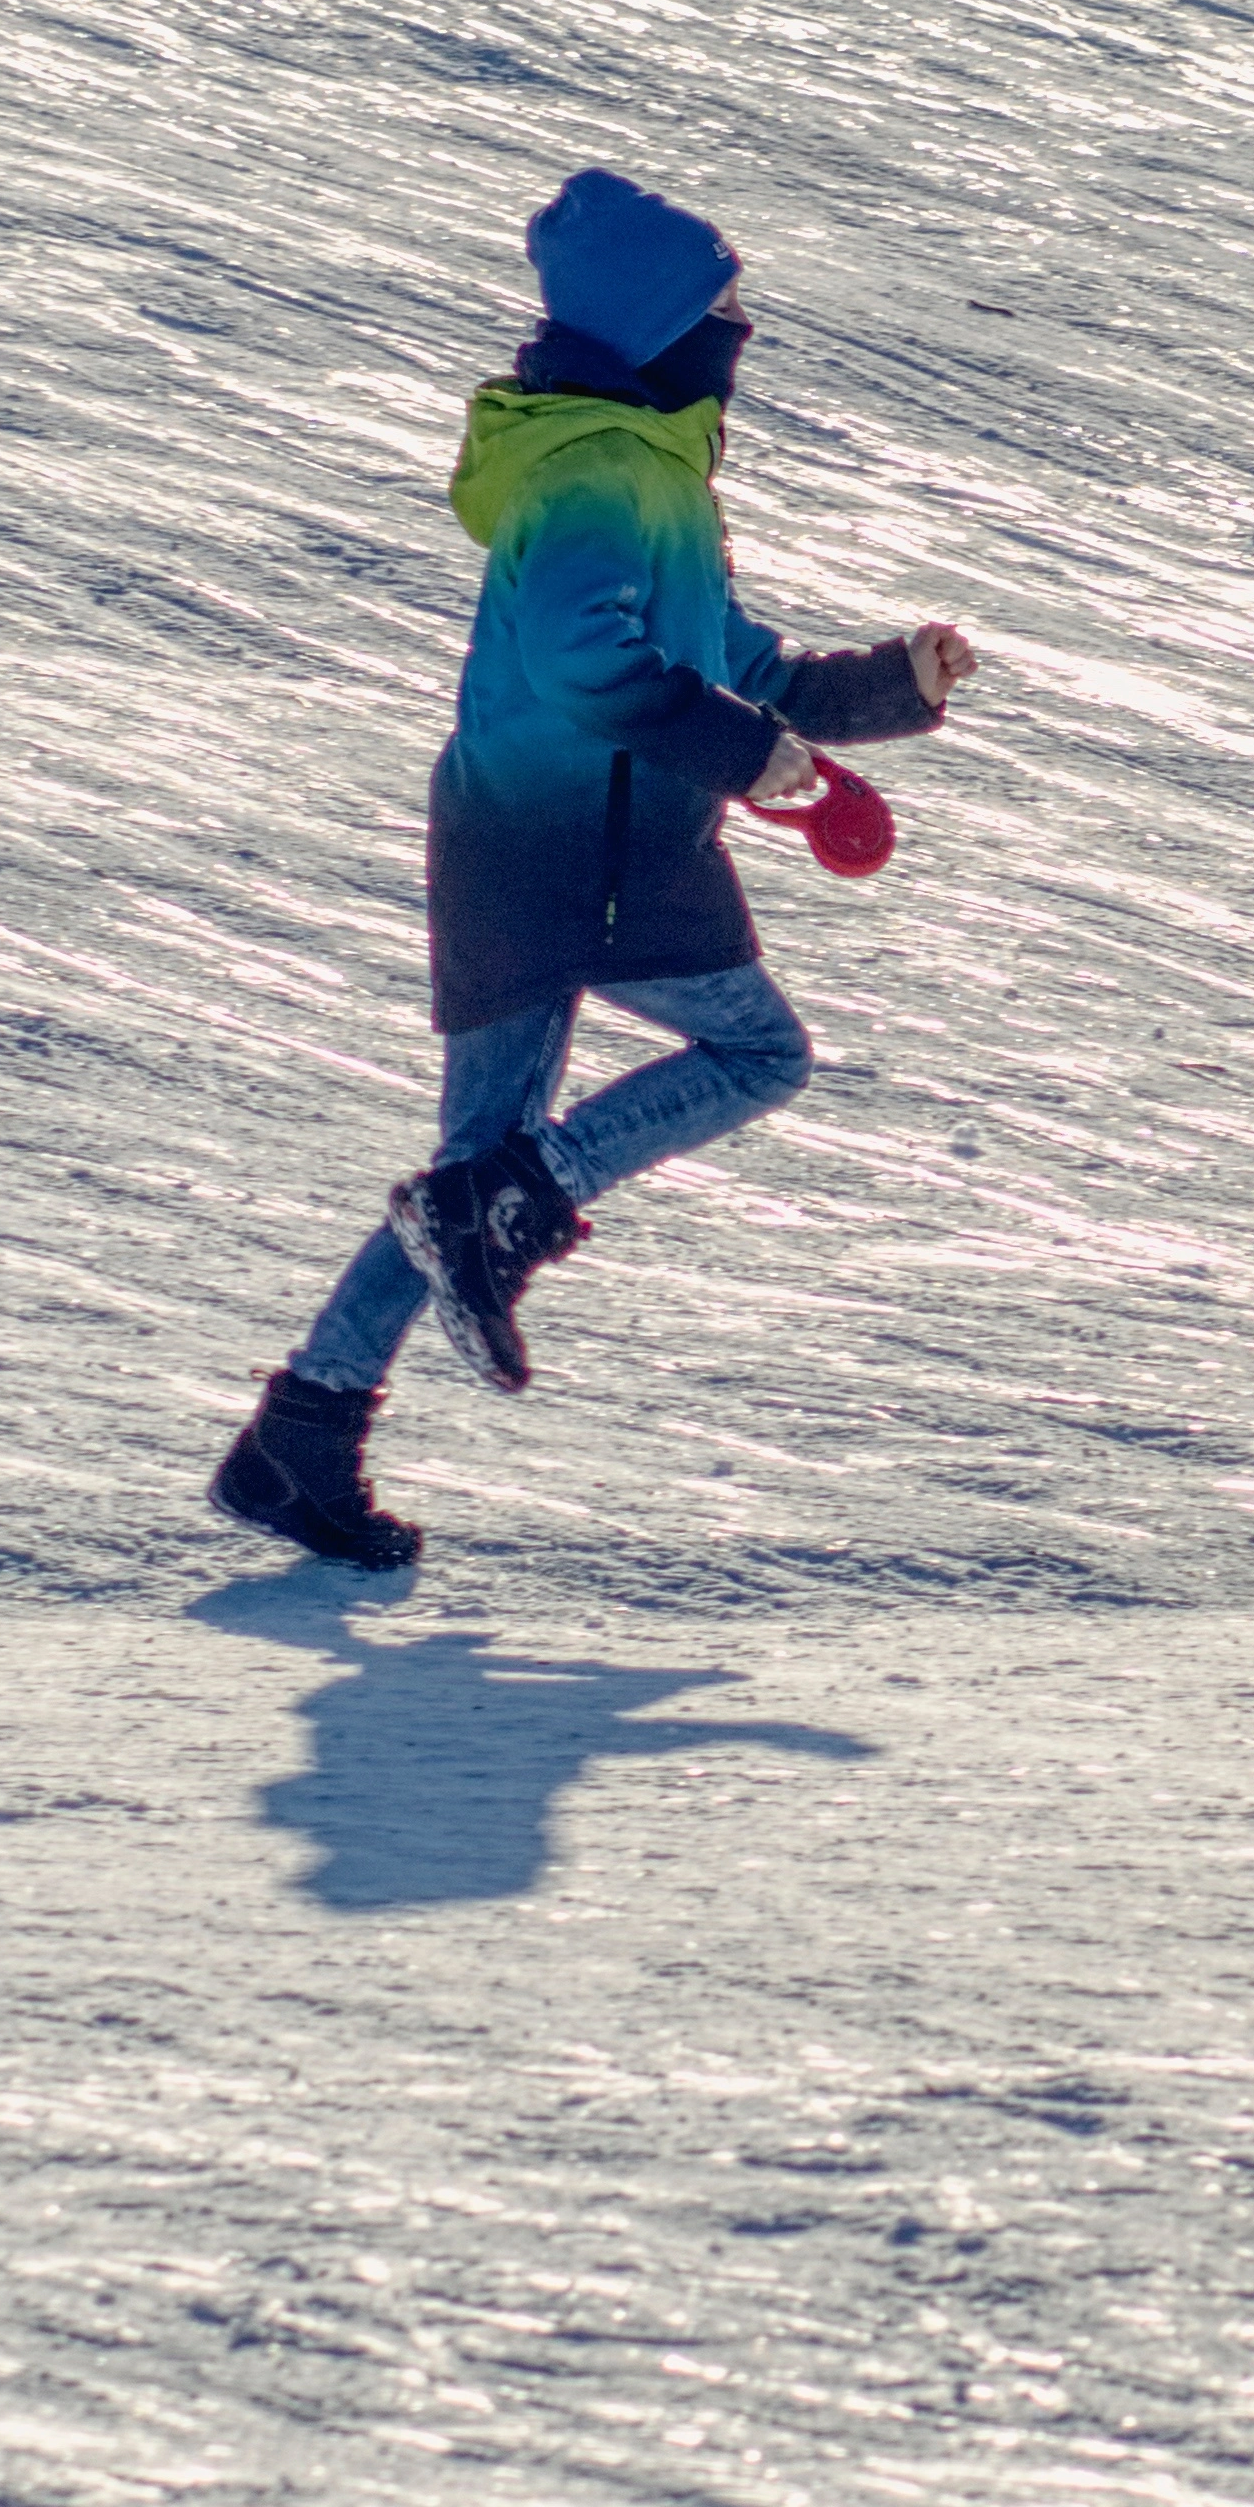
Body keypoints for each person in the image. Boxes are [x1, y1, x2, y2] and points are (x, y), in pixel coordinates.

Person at [211, 170, 981, 1569]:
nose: (740, 331)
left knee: (465, 1183)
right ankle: (504, 1214)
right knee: (754, 1055)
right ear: (656, 323)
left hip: (560, 837)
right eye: (724, 308)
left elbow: (735, 665)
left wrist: (890, 685)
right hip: (573, 843)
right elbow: (589, 665)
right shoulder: (595, 472)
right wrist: (742, 758)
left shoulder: (646, 467)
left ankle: (305, 1430)